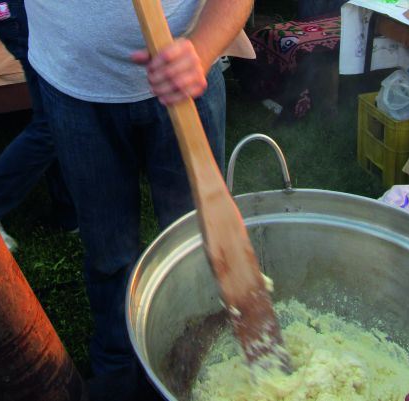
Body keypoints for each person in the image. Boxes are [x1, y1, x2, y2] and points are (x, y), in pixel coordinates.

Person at [24, 0, 254, 398]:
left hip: (188, 75)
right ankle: (119, 370)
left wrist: (200, 49)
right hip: (75, 84)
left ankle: (203, 364)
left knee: (199, 250)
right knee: (109, 254)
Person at [0, 0, 77, 252]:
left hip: (27, 13)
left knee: (57, 108)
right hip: (27, 14)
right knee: (52, 124)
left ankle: (70, 213)